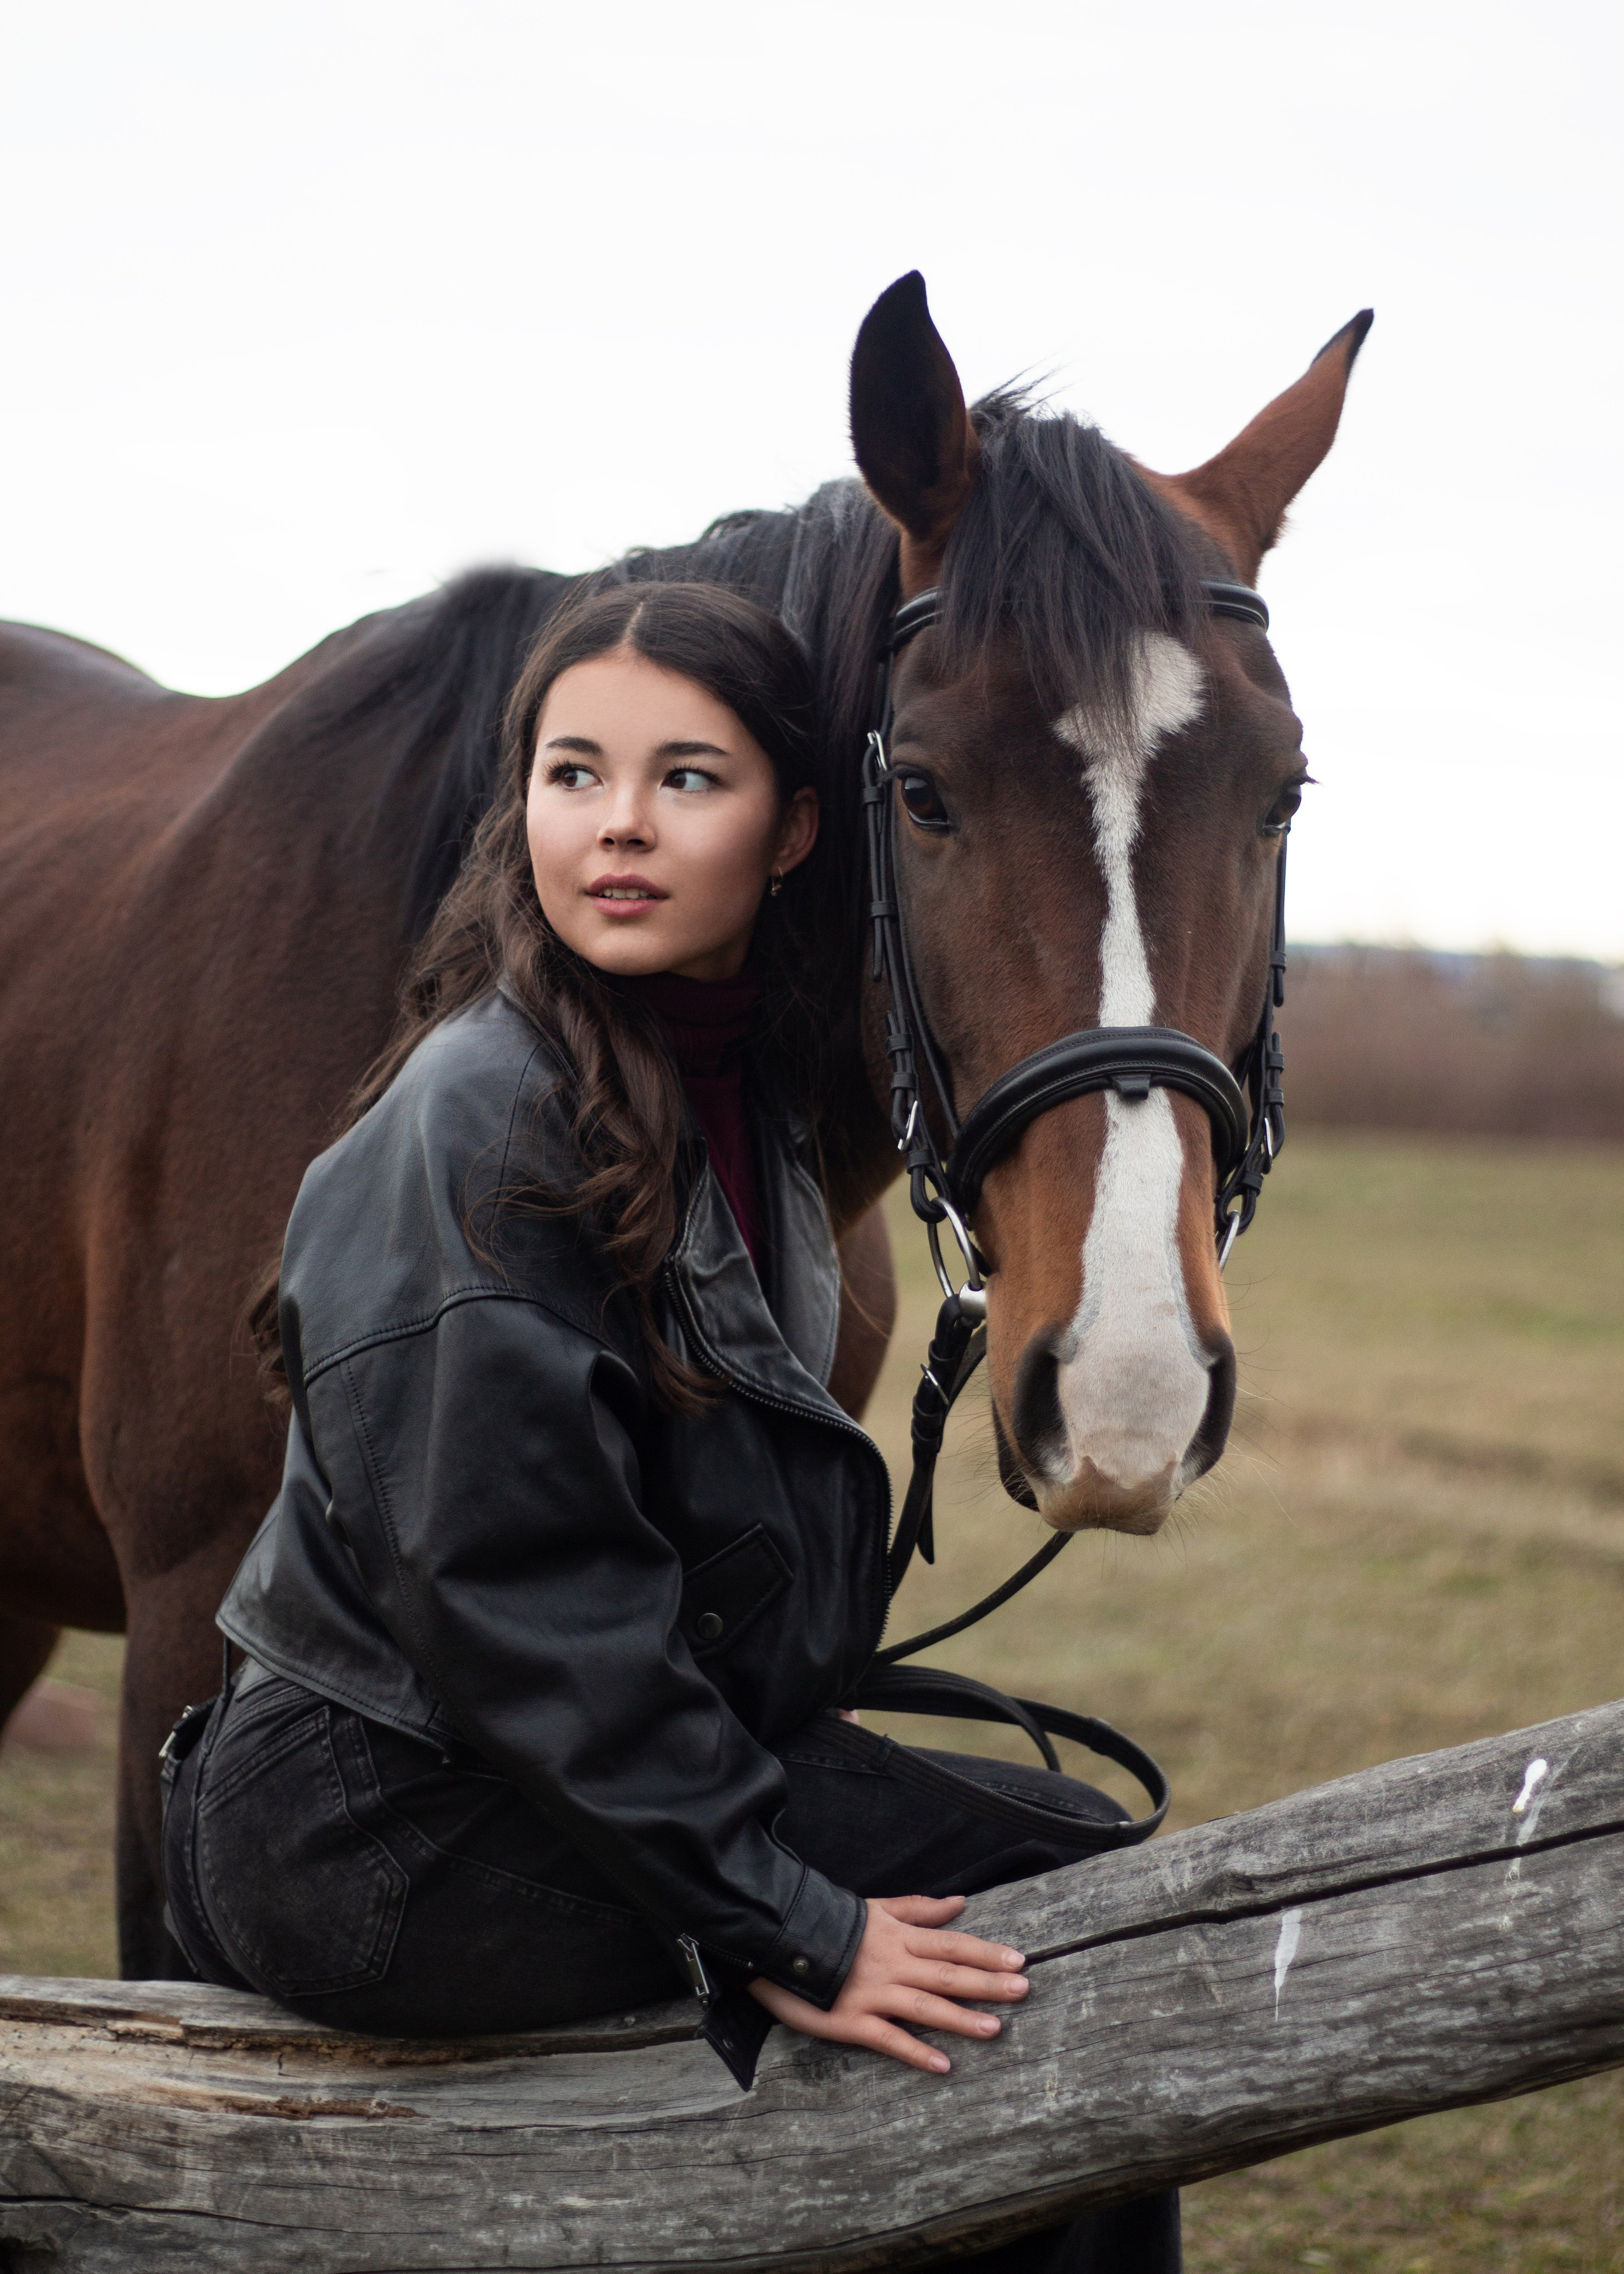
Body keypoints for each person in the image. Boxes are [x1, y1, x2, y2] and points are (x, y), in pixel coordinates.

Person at [162, 580, 1180, 2272]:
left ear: (794, 833)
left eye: (686, 779)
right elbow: (515, 1605)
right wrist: (796, 1921)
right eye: (574, 774)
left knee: (1077, 1862)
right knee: (1047, 1949)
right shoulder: (479, 1122)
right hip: (378, 1831)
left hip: (514, 1769)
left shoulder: (732, 1091)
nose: (619, 826)